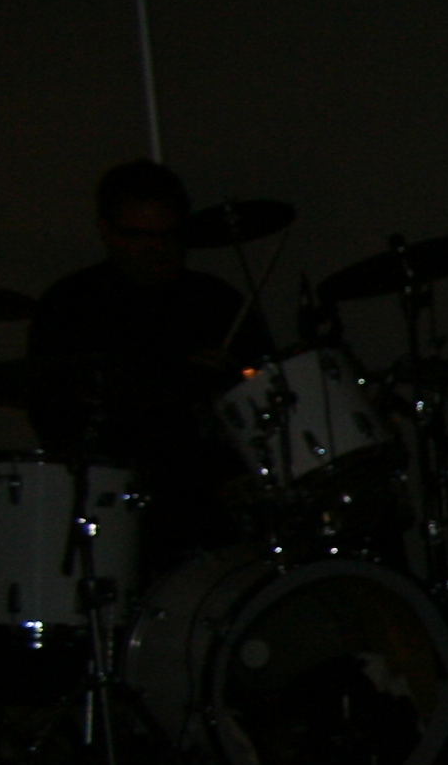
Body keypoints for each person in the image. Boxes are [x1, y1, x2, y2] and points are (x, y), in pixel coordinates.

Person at [26, 160, 268, 562]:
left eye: (169, 235)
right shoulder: (73, 305)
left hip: (217, 502)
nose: (158, 249)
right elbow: (53, 414)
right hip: (119, 503)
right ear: (107, 231)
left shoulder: (215, 301)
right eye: (140, 236)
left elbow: (264, 399)